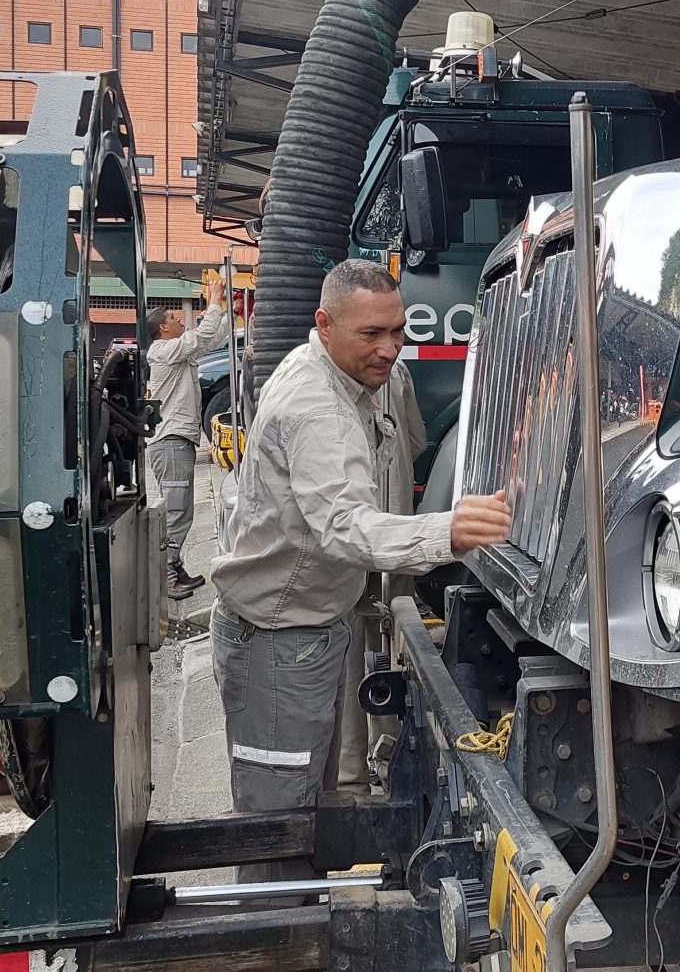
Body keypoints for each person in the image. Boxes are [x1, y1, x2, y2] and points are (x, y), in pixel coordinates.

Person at [211, 259, 510, 882]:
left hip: (306, 631)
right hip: (277, 640)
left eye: (398, 331)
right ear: (323, 324)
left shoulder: (353, 378)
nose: (390, 348)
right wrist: (446, 531)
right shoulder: (316, 406)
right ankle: (273, 936)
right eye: (371, 334)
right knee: (277, 831)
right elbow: (344, 525)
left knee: (305, 813)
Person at [145, 272, 233, 599]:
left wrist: (222, 308)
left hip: (174, 440)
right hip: (170, 441)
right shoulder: (162, 351)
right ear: (162, 329)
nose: (178, 319)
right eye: (171, 317)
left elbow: (211, 337)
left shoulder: (175, 352)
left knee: (181, 509)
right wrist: (213, 301)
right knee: (178, 511)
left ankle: (174, 566)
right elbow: (203, 333)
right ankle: (166, 574)